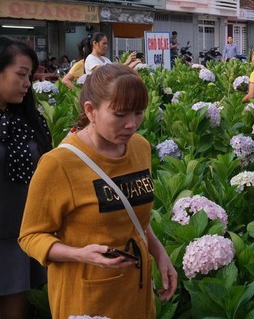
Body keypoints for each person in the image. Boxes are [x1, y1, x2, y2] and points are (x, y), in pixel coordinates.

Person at [19, 64, 177, 318]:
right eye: (120, 114)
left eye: (138, 113)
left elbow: (133, 214)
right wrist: (80, 254)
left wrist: (159, 254)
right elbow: (30, 236)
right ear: (91, 111)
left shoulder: (140, 148)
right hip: (87, 295)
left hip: (137, 288)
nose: (131, 124)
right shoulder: (59, 164)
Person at [0, 37, 53, 319]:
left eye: (29, 76)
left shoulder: (30, 120)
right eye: (21, 74)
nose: (27, 83)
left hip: (19, 239)